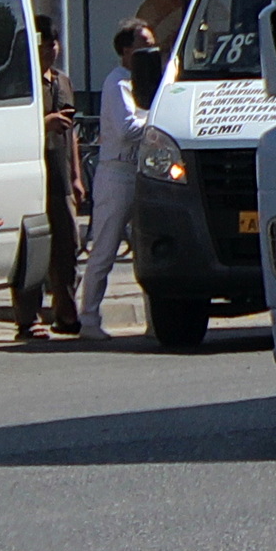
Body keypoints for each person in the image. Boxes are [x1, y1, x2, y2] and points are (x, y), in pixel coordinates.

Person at [77, 19, 154, 341]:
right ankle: (89, 319)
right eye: (144, 45)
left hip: (145, 170)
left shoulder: (150, 82)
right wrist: (156, 122)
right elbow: (126, 130)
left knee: (149, 250)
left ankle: (156, 320)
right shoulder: (118, 83)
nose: (151, 50)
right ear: (126, 51)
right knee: (106, 248)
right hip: (118, 171)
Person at [10, 15, 85, 340]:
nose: (50, 50)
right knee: (31, 250)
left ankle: (66, 314)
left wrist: (77, 176)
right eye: (44, 45)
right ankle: (27, 319)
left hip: (61, 179)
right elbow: (9, 130)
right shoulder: (19, 83)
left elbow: (73, 135)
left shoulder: (62, 81)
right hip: (31, 179)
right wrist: (45, 122)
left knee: (68, 247)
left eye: (53, 44)